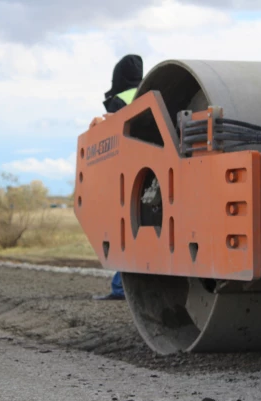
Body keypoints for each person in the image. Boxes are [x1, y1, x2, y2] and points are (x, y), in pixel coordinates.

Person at [91, 54, 143, 301]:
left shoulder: (119, 101)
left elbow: (111, 140)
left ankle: (120, 288)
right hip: (151, 173)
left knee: (125, 230)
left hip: (127, 173)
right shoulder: (152, 92)